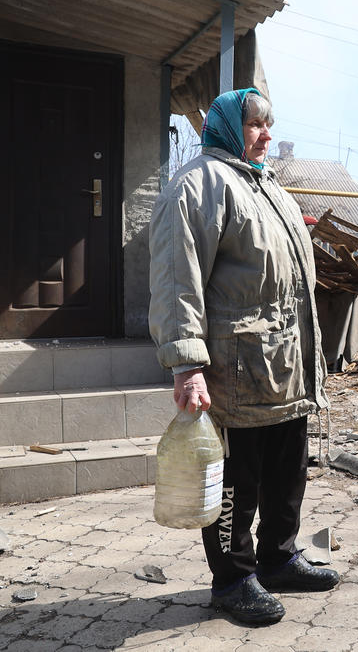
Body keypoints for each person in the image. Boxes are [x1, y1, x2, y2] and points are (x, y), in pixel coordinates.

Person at [148, 88, 337, 625]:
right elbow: (175, 282)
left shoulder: (267, 185)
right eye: (256, 124)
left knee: (288, 471)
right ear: (230, 127)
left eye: (269, 124)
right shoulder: (198, 185)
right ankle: (233, 579)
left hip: (286, 366)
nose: (266, 134)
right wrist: (186, 367)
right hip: (235, 370)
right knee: (237, 480)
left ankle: (279, 559)